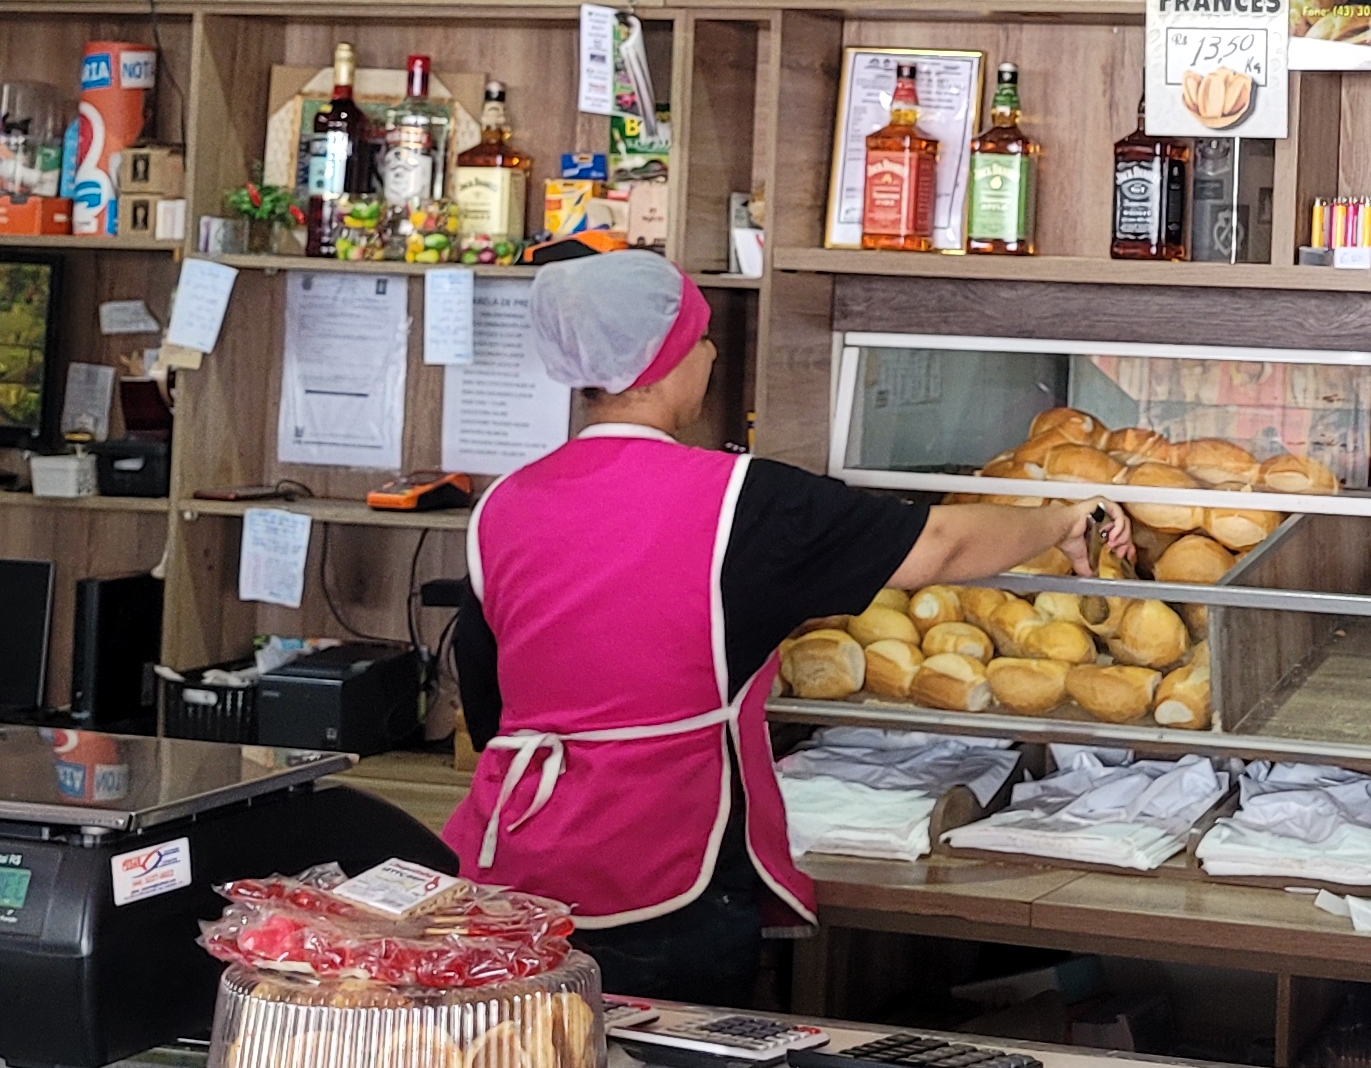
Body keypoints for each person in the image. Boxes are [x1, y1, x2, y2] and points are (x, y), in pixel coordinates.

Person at [438, 247, 1126, 1000]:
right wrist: (1060, 519)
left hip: (519, 861)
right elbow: (935, 545)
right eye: (702, 338)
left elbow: (488, 703)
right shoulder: (737, 500)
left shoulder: (504, 503)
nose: (709, 353)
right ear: (670, 359)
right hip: (669, 868)